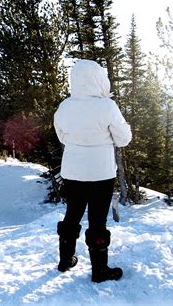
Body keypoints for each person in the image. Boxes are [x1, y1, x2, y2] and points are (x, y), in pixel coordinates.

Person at [53, 59, 132, 283]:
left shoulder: (65, 106)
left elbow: (62, 137)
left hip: (73, 170)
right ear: (99, 79)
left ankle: (65, 260)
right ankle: (99, 270)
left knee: (72, 214)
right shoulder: (106, 106)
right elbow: (124, 139)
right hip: (101, 173)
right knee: (97, 220)